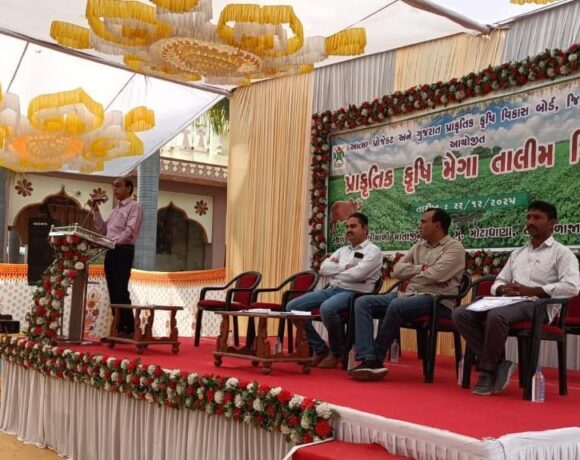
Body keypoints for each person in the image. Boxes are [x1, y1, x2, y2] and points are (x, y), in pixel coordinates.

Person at [453, 201, 580, 396]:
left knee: (497, 316)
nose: (530, 222)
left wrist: (534, 291)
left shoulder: (562, 253)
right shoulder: (518, 253)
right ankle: (498, 364)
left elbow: (572, 287)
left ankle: (487, 372)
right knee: (461, 313)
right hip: (509, 302)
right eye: (528, 217)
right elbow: (499, 281)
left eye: (537, 218)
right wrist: (502, 289)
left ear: (552, 222)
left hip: (539, 306)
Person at [350, 208, 465, 381]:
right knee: (362, 302)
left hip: (437, 301)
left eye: (423, 221)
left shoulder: (454, 248)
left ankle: (375, 360)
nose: (419, 225)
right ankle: (367, 356)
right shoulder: (419, 246)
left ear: (437, 225)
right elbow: (397, 270)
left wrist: (413, 273)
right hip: (409, 294)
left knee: (397, 305)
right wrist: (421, 268)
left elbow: (436, 275)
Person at [286, 212, 382, 368]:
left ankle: (337, 352)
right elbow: (323, 269)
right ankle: (320, 348)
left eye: (353, 226)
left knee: (327, 308)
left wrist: (336, 271)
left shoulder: (373, 251)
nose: (348, 230)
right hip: (332, 289)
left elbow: (358, 274)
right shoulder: (342, 250)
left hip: (354, 293)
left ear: (365, 229)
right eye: (347, 227)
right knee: (292, 307)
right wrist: (345, 267)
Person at [92, 177, 143, 337]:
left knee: (121, 290)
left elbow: (130, 230)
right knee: (113, 291)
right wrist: (95, 211)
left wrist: (112, 242)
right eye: (114, 187)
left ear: (129, 188)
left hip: (123, 250)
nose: (115, 190)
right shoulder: (115, 210)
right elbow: (103, 230)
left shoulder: (134, 207)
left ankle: (129, 329)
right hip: (111, 251)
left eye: (119, 186)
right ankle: (118, 329)